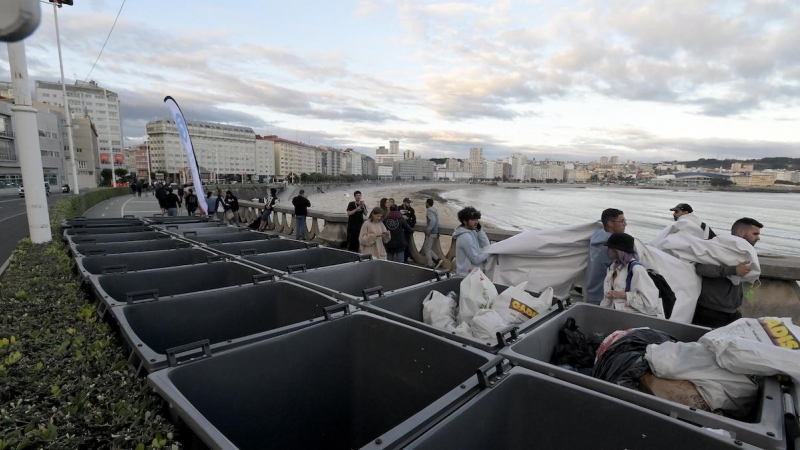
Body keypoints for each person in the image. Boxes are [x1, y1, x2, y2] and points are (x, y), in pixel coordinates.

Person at [692, 217, 763, 328]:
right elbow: (701, 268)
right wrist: (733, 270)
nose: (758, 238)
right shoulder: (717, 247)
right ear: (741, 232)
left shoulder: (742, 252)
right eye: (755, 234)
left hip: (732, 312)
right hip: (710, 311)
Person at [601, 233, 663, 317]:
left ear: (618, 250)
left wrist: (623, 295)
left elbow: (650, 302)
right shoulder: (613, 267)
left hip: (632, 317)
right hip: (616, 314)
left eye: (610, 247)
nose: (608, 250)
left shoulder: (636, 269)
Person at [584, 208, 626, 304]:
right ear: (610, 223)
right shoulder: (615, 244)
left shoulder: (596, 235)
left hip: (590, 290)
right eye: (622, 221)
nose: (625, 224)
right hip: (604, 294)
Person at [453, 206, 490, 276]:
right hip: (467, 276)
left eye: (477, 219)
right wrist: (490, 253)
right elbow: (476, 259)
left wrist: (479, 231)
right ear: (464, 221)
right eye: (473, 220)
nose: (476, 222)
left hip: (474, 274)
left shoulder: (472, 232)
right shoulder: (465, 237)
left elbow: (487, 246)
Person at [422, 198, 440, 268]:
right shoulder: (435, 210)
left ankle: (430, 263)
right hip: (435, 232)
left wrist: (428, 230)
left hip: (431, 232)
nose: (425, 204)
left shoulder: (429, 211)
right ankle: (437, 259)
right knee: (427, 248)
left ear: (428, 203)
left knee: (427, 248)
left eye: (426, 203)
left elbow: (432, 221)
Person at [398, 198, 417, 262]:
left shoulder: (411, 210)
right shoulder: (399, 208)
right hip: (399, 230)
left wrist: (410, 226)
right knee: (399, 246)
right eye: (408, 203)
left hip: (407, 231)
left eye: (409, 203)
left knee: (406, 246)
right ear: (404, 202)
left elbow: (414, 219)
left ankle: (405, 260)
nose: (409, 204)